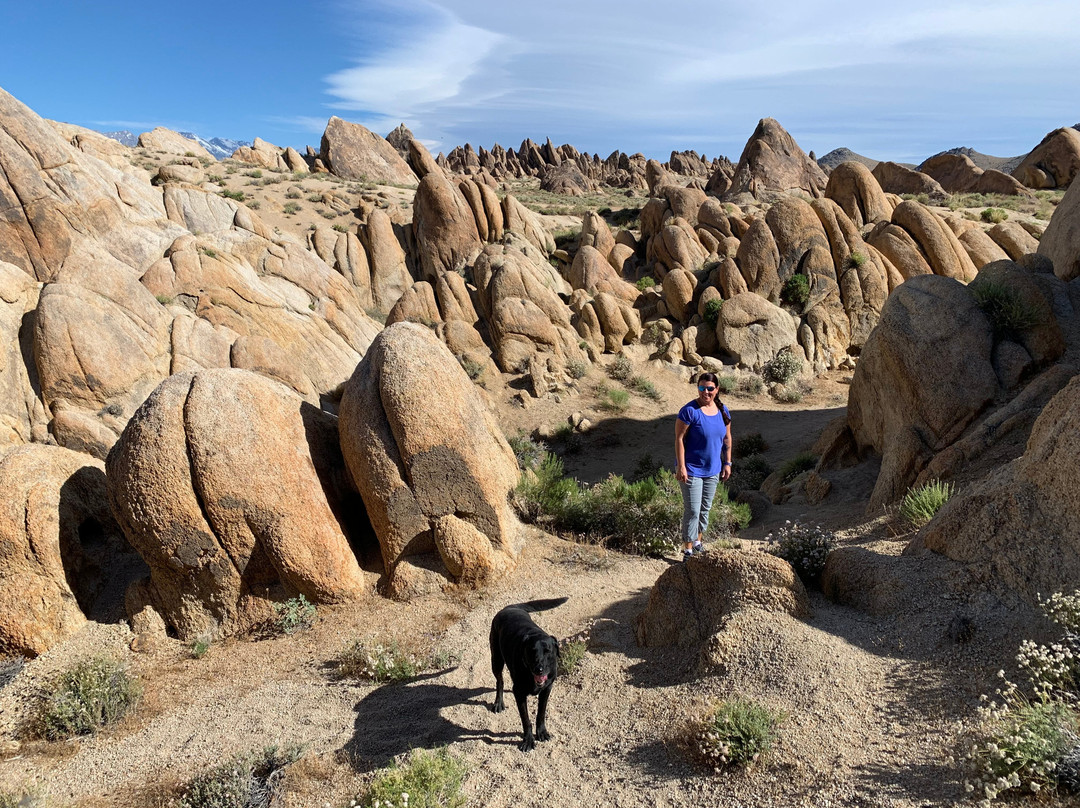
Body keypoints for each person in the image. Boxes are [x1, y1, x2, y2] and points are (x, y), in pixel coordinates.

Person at [674, 372, 732, 560]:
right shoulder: (689, 411)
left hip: (713, 470)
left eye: (709, 388)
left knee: (705, 509)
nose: (705, 392)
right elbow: (679, 439)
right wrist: (681, 466)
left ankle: (698, 542)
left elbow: (727, 438)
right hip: (692, 470)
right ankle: (688, 550)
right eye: (701, 388)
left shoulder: (723, 410)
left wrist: (727, 462)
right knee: (692, 511)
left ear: (717, 389)